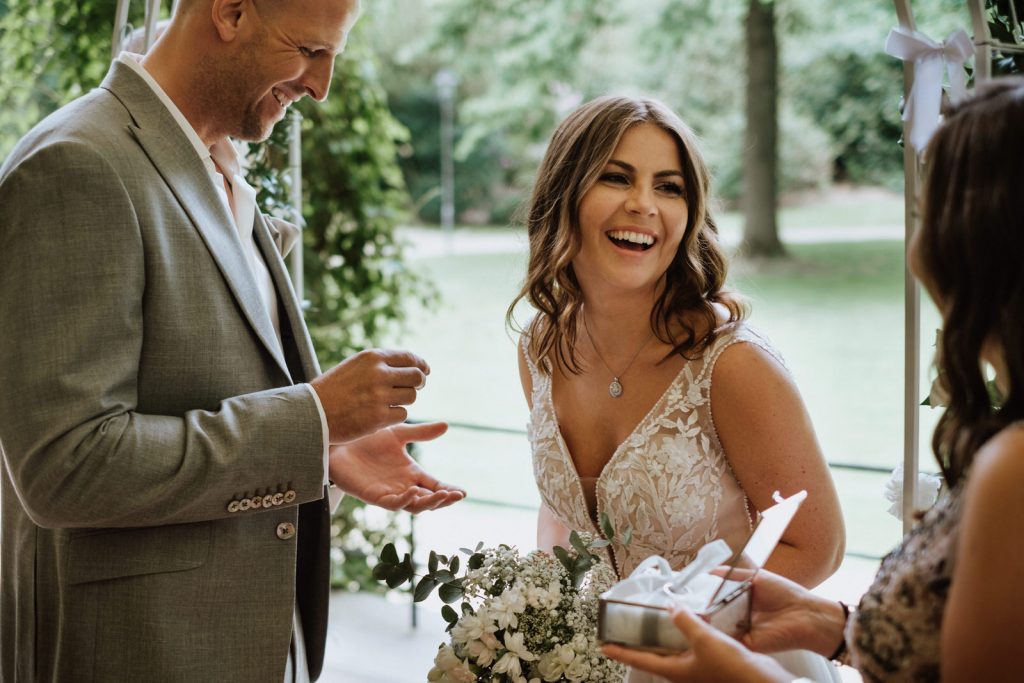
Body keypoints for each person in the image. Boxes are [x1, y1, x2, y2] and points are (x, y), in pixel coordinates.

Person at [0, 0, 464, 681]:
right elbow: (66, 465)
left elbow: (206, 395)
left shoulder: (216, 166)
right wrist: (311, 418)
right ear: (231, 10)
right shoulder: (77, 165)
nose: (321, 86)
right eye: (309, 51)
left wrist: (324, 450)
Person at [602, 77, 1024, 682]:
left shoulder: (1016, 467)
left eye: (925, 212)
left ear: (983, 244)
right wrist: (833, 624)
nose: (915, 244)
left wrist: (745, 677)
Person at [509, 95, 845, 681]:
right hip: (603, 660)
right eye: (616, 178)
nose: (643, 205)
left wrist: (673, 633)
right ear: (564, 194)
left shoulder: (731, 365)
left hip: (733, 661)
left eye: (670, 187)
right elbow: (564, 509)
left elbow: (815, 546)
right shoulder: (541, 347)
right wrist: (540, 624)